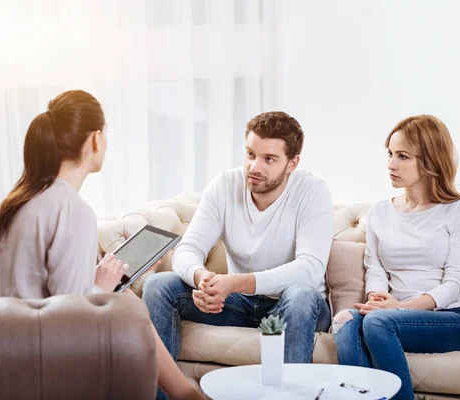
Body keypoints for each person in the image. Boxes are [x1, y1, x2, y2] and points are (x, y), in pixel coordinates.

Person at [0, 90, 205, 400]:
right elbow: (68, 318)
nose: (106, 142)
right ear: (95, 139)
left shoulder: (19, 201)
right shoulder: (72, 210)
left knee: (126, 305)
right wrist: (104, 288)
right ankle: (187, 395)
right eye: (105, 134)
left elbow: (40, 290)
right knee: (130, 310)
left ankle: (184, 394)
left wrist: (97, 280)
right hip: (30, 356)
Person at [142, 111, 334, 380]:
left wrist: (235, 283)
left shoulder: (312, 191)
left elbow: (310, 269)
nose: (255, 167)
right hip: (239, 304)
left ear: (292, 163)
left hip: (293, 306)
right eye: (250, 154)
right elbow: (187, 250)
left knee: (300, 295)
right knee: (158, 286)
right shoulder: (225, 184)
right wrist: (203, 279)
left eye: (269, 159)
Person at [332, 115, 460, 400]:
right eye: (390, 154)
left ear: (429, 160)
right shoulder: (379, 211)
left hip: (456, 317)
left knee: (378, 324)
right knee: (344, 319)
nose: (391, 164)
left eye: (402, 156)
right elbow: (374, 267)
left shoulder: (457, 210)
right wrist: (378, 298)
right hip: (393, 315)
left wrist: (400, 308)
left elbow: (455, 281)